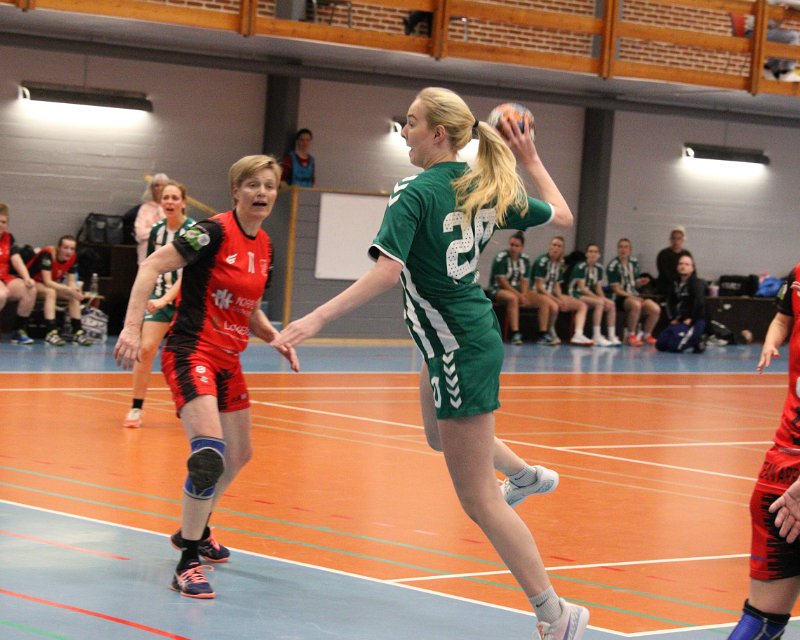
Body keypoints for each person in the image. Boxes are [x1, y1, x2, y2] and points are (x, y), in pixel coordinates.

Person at [272, 87, 589, 640]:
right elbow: (562, 214)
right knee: (438, 436)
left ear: (438, 134)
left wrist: (316, 318)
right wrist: (531, 159)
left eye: (412, 122)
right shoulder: (484, 184)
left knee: (479, 501)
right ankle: (525, 475)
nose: (404, 130)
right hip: (453, 337)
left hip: (458, 343)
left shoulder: (415, 191)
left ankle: (556, 615)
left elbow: (387, 272)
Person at [114, 155, 299, 599]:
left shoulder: (266, 246)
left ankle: (192, 531)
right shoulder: (210, 232)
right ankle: (188, 562)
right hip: (191, 351)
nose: (261, 193)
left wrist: (274, 336)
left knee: (240, 453)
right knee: (209, 454)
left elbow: (249, 310)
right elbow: (151, 266)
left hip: (229, 360)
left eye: (269, 186)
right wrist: (132, 328)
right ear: (235, 191)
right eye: (252, 185)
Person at [725, 268, 800, 640]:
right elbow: (782, 318)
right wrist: (771, 342)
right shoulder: (797, 277)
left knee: (763, 621)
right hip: (786, 465)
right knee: (762, 620)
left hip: (790, 477)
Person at [123, 181, 196, 429]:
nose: (170, 202)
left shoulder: (193, 230)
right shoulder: (157, 230)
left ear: (183, 203)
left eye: (175, 198)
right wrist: (148, 300)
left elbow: (190, 272)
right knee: (145, 349)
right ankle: (136, 407)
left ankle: (198, 405)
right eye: (166, 198)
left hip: (187, 300)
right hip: (159, 297)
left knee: (189, 356)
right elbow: (149, 268)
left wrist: (166, 299)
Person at [487, 231, 552, 345]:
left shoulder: (525, 260)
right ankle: (515, 333)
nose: (513, 248)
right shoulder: (501, 258)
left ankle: (542, 334)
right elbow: (502, 282)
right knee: (513, 299)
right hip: (498, 290)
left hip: (518, 291)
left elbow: (524, 281)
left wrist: (525, 295)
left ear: (521, 247)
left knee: (544, 301)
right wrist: (519, 296)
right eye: (511, 245)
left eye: (516, 246)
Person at [26, 235, 92, 346]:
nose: (69, 251)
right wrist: (68, 289)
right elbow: (47, 282)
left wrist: (75, 290)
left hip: (49, 284)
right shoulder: (48, 254)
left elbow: (71, 281)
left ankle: (78, 332)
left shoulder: (73, 258)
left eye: (72, 249)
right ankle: (51, 332)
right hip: (31, 283)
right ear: (58, 248)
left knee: (73, 295)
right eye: (65, 248)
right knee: (50, 292)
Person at [532, 236, 593, 346]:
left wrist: (561, 298)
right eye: (554, 245)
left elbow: (557, 286)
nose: (556, 248)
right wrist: (556, 299)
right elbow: (539, 287)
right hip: (537, 293)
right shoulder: (542, 261)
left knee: (582, 305)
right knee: (554, 306)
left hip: (551, 293)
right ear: (550, 247)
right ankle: (548, 331)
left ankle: (578, 334)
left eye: (559, 246)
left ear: (562, 249)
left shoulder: (559, 264)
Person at [607, 238, 661, 346]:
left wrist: (641, 282)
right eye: (621, 247)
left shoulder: (634, 262)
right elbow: (615, 289)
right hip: (619, 297)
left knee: (655, 309)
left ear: (630, 250)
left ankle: (647, 335)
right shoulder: (613, 266)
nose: (623, 249)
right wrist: (631, 296)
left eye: (626, 247)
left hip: (633, 294)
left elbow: (635, 284)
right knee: (636, 305)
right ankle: (631, 335)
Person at [567, 243, 619, 346]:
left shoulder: (599, 268)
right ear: (586, 254)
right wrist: (600, 299)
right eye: (590, 251)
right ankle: (596, 335)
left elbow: (598, 288)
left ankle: (612, 335)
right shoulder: (581, 266)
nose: (593, 254)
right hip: (575, 293)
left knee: (611, 304)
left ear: (599, 255)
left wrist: (604, 298)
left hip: (588, 295)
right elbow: (582, 288)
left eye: (595, 252)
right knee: (599, 302)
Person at [0, 203, 36, 344]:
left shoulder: (9, 238)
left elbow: (16, 260)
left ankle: (19, 331)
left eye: (3, 222)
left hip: (4, 277)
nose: (0, 225)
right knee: (1, 294)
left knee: (30, 289)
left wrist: (27, 278)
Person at [655, 254, 706, 353]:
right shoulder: (674, 284)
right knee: (660, 345)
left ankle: (698, 340)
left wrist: (691, 318)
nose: (683, 266)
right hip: (679, 320)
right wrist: (673, 318)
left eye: (687, 264)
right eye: (681, 264)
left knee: (674, 347)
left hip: (694, 321)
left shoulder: (697, 283)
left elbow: (699, 303)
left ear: (692, 268)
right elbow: (670, 302)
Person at [746, 1, 800, 82]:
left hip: (763, 31)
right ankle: (786, 71)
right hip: (755, 32)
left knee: (788, 39)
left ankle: (770, 67)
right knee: (793, 36)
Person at [134, 173, 169, 264]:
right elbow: (140, 233)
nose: (160, 188)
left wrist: (151, 230)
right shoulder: (145, 208)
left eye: (163, 186)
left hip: (166, 257)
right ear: (152, 188)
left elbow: (172, 231)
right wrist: (160, 231)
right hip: (146, 256)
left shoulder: (171, 208)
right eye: (157, 185)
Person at [655, 225, 692, 296]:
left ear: (683, 240)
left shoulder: (687, 254)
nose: (676, 241)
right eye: (674, 238)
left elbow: (692, 271)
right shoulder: (663, 254)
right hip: (668, 284)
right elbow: (665, 274)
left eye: (679, 239)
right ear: (670, 239)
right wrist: (679, 282)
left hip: (685, 282)